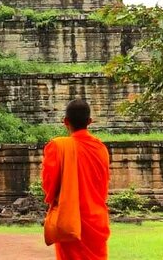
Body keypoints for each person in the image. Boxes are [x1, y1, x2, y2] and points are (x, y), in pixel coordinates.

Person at [42, 99, 110, 260]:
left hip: (70, 220)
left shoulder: (58, 147)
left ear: (66, 122)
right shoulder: (101, 149)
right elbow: (103, 183)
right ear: (89, 122)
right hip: (96, 220)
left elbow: (48, 185)